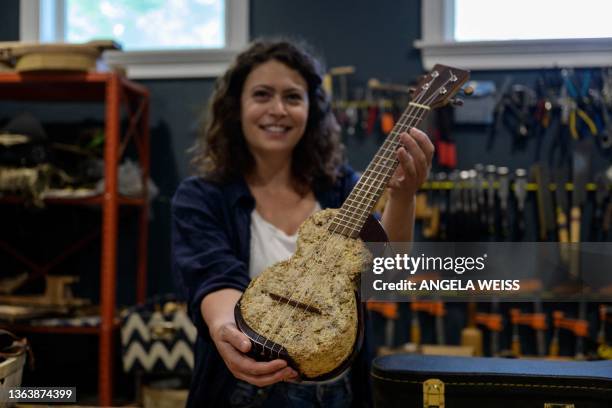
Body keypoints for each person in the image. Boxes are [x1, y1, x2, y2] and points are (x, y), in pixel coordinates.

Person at [171, 38, 434, 407]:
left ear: (312, 109)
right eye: (262, 94)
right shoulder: (201, 197)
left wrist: (404, 196)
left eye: (293, 97)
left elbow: (387, 274)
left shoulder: (343, 188)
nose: (277, 109)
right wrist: (228, 330)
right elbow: (214, 277)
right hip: (239, 387)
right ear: (236, 107)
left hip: (337, 391)